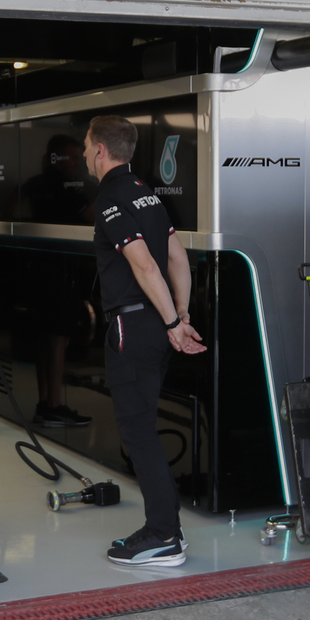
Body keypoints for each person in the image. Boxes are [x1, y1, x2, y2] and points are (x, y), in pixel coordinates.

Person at [86, 115, 205, 565]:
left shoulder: (110, 197)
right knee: (143, 431)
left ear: (100, 150)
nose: (85, 153)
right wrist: (180, 313)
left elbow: (146, 264)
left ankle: (163, 535)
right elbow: (177, 256)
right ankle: (167, 529)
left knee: (138, 434)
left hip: (134, 327)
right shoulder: (146, 191)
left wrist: (175, 322)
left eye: (87, 146)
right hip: (155, 325)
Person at [20, 134, 93, 427]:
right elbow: (94, 217)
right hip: (61, 268)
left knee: (45, 335)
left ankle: (45, 402)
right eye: (72, 157)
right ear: (57, 157)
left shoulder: (33, 184)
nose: (76, 163)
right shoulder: (69, 188)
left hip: (36, 267)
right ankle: (55, 406)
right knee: (59, 337)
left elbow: (13, 207)